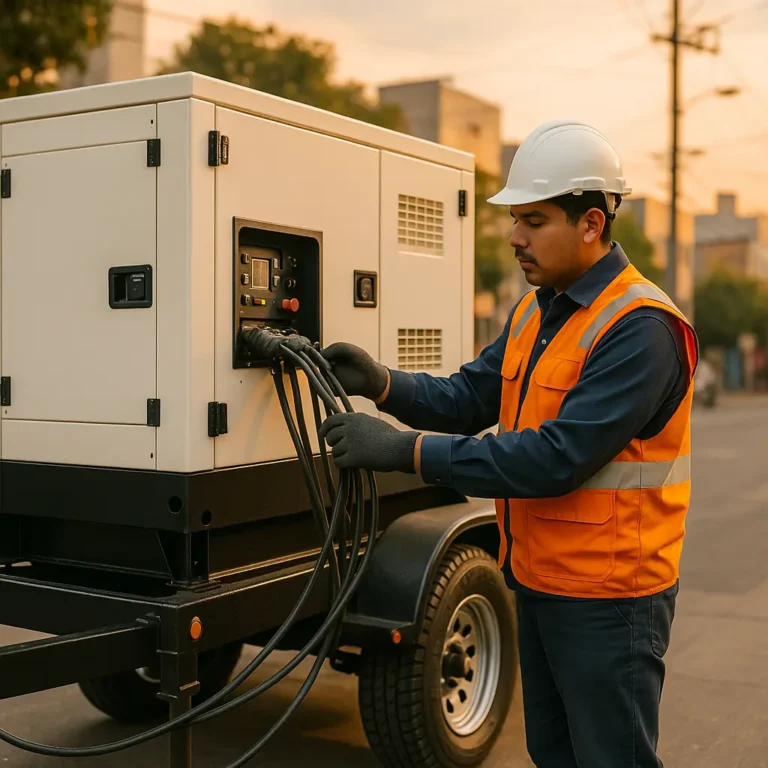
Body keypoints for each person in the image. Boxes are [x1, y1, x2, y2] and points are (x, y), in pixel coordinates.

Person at [318, 119, 699, 768]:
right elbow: (469, 399)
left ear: (592, 223)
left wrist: (401, 449)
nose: (516, 237)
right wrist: (383, 383)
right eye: (515, 220)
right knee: (553, 752)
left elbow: (554, 459)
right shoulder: (537, 308)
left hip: (611, 599)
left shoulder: (640, 328)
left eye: (535, 220)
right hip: (542, 581)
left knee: (611, 758)